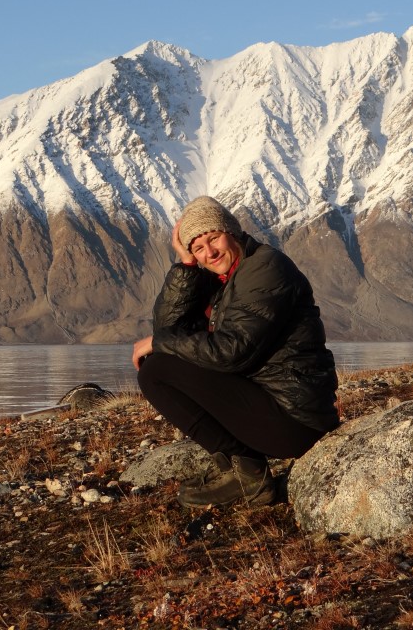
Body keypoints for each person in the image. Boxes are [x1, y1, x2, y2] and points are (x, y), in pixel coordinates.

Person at [132, 196, 339, 508]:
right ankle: (242, 469)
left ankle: (248, 474)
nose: (209, 252)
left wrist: (160, 341)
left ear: (233, 232)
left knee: (159, 369)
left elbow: (232, 351)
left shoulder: (265, 268)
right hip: (271, 406)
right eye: (198, 248)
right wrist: (186, 266)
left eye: (214, 238)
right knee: (157, 367)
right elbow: (168, 327)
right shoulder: (219, 278)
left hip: (296, 419)